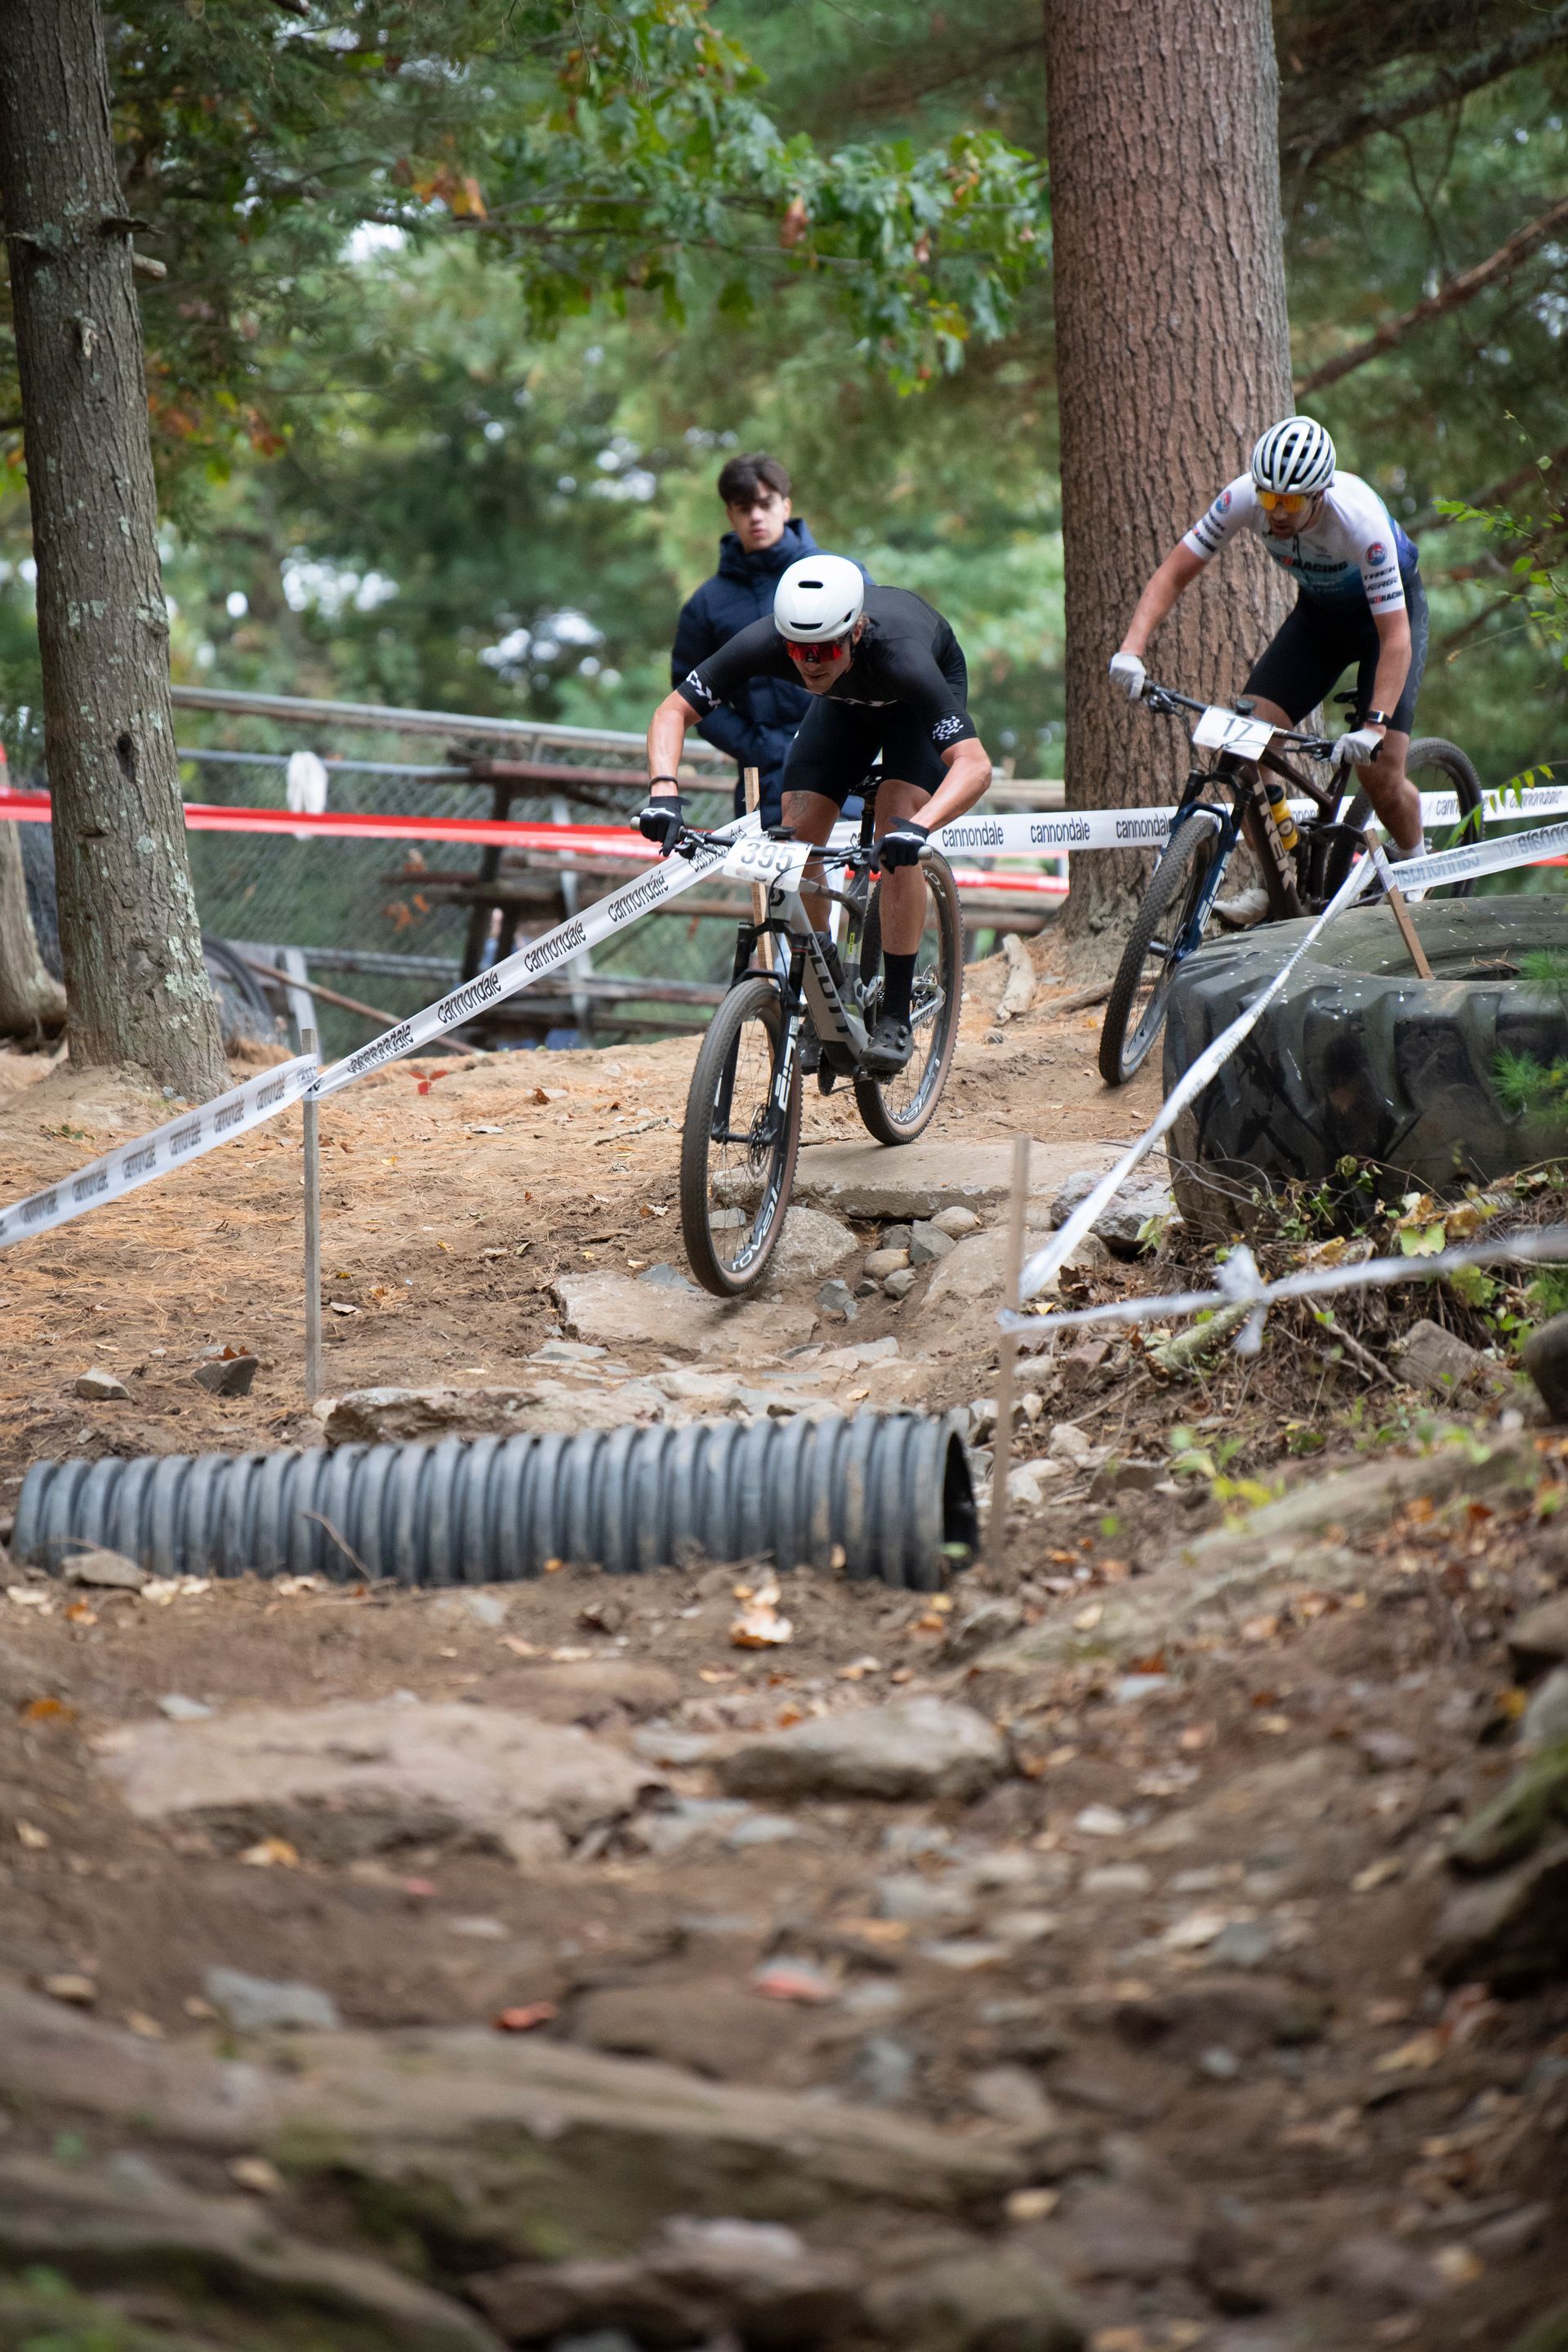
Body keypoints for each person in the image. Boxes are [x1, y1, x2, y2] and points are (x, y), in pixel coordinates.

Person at [640, 555, 991, 1076]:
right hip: (845, 706)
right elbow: (673, 711)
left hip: (913, 705)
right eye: (799, 651)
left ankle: (895, 1012)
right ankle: (826, 985)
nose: (810, 663)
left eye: (825, 649)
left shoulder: (902, 656)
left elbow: (975, 766)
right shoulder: (768, 641)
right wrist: (663, 792)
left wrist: (919, 829)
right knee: (797, 835)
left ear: (856, 631)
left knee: (898, 823)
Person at [1110, 416, 1428, 866]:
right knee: (1244, 751)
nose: (1276, 512)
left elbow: (1396, 637)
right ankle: (1279, 880)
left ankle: (1418, 869)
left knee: (1378, 773)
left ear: (1319, 494)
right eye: (1269, 497)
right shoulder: (1243, 497)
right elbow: (1174, 572)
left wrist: (1374, 727)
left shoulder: (1360, 524)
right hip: (1320, 621)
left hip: (1388, 623)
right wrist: (1131, 650)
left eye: (1290, 502)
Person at [669, 453, 868, 826]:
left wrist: (844, 728)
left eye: (766, 504)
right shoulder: (706, 605)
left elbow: (877, 656)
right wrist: (755, 744)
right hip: (762, 783)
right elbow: (687, 691)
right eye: (745, 508)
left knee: (849, 881)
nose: (756, 516)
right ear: (730, 514)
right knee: (773, 885)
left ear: (785, 506)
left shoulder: (842, 575)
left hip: (846, 769)